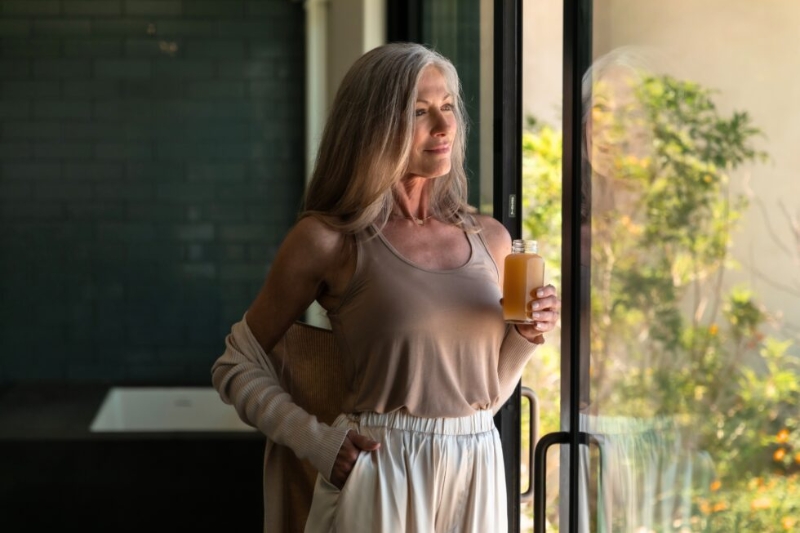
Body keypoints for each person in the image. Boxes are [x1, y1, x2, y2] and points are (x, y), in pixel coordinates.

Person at [212, 42, 561, 533]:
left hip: (478, 466)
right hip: (382, 472)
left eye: (447, 107)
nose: (443, 127)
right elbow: (235, 364)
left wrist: (525, 338)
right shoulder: (329, 240)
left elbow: (481, 396)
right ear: (373, 125)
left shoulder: (492, 239)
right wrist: (316, 442)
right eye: (420, 111)